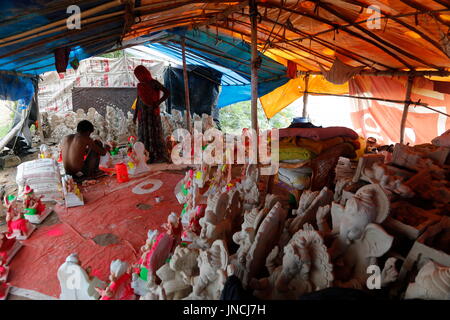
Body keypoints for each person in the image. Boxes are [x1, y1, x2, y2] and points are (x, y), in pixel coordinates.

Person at [133, 65, 170, 163]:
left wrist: (158, 102)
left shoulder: (153, 83)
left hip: (152, 114)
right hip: (143, 115)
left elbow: (167, 92)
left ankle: (156, 156)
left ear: (143, 73)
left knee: (154, 134)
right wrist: (135, 115)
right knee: (144, 135)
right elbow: (138, 101)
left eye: (138, 74)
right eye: (136, 75)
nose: (138, 77)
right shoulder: (140, 85)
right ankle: (146, 156)